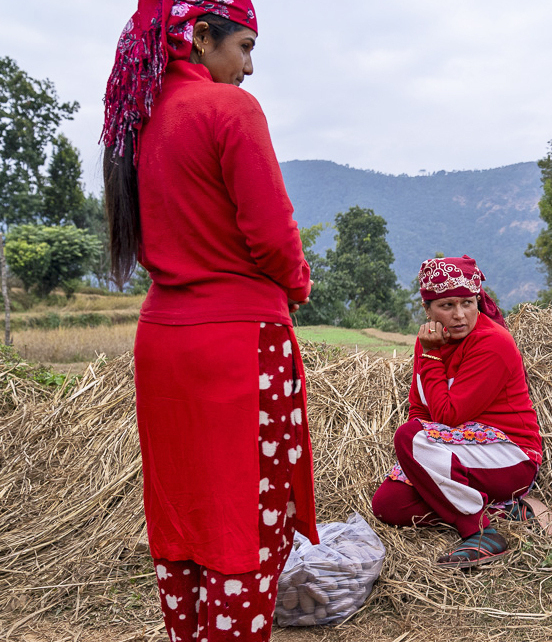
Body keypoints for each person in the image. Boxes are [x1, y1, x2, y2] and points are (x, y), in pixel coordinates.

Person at [101, 2, 317, 640]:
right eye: (244, 47)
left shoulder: (139, 122)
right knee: (244, 516)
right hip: (239, 343)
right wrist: (298, 284)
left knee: (186, 514)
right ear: (199, 36)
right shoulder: (228, 109)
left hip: (163, 344)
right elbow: (273, 233)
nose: (248, 68)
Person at [371, 255, 549, 568]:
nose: (459, 315)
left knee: (409, 435)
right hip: (455, 450)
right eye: (447, 305)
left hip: (510, 457)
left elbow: (448, 415)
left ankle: (481, 532)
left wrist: (431, 356)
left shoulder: (493, 342)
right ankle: (503, 510)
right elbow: (419, 408)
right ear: (427, 309)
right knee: (389, 505)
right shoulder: (429, 341)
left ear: (477, 301)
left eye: (467, 303)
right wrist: (420, 463)